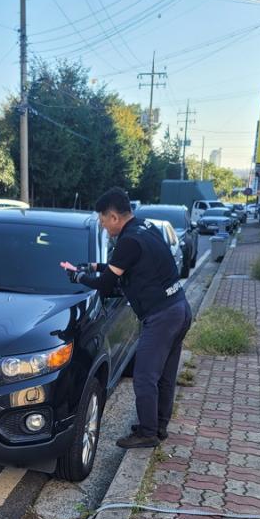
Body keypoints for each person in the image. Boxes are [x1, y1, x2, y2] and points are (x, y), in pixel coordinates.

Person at [60, 187, 192, 449]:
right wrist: (93, 266)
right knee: (164, 375)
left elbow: (107, 285)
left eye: (102, 219)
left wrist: (79, 276)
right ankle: (159, 426)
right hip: (179, 307)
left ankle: (147, 432)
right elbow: (124, 265)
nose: (103, 225)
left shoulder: (128, 241)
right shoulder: (144, 228)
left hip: (162, 317)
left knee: (144, 376)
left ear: (113, 217)